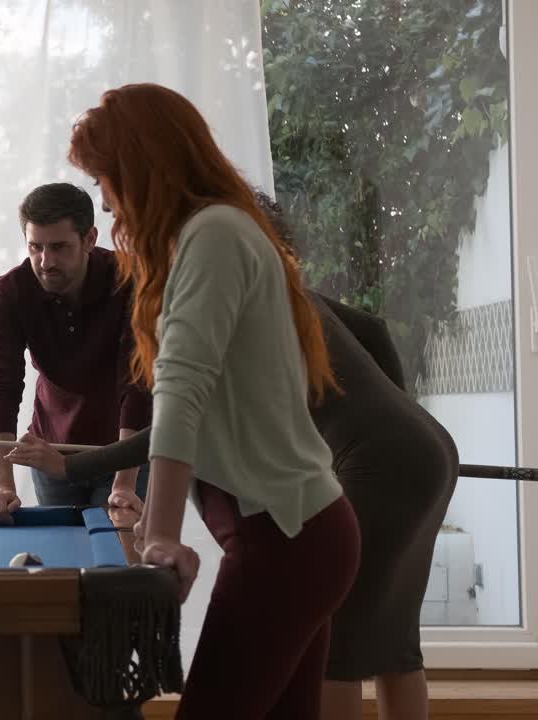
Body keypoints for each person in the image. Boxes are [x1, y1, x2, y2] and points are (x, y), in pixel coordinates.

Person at [14, 192, 457, 720]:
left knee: (337, 645)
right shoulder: (295, 298)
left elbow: (181, 419)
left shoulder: (242, 304)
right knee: (394, 641)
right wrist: (391, 416)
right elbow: (375, 332)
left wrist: (75, 464)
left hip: (379, 464)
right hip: (428, 448)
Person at [60, 83, 361, 720]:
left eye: (106, 179)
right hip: (303, 534)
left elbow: (181, 390)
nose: (107, 199)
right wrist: (152, 525)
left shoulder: (214, 234)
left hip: (288, 541)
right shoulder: (218, 230)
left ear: (141, 167)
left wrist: (161, 535)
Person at [0, 182, 151, 521]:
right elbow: (0, 388)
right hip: (51, 451)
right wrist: (2, 486)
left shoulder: (133, 281)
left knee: (121, 564)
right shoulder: (10, 293)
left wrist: (124, 483)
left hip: (126, 450)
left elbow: (138, 384)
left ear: (89, 238)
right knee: (66, 564)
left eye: (59, 247)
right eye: (35, 246)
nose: (45, 261)